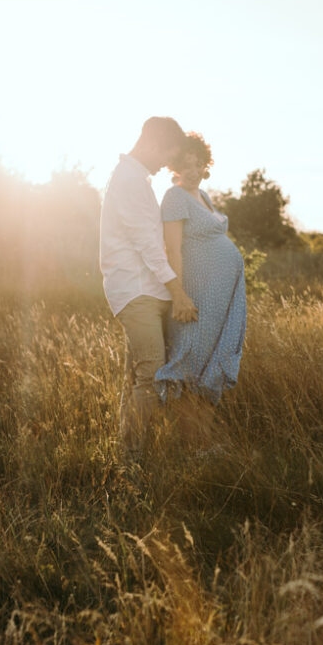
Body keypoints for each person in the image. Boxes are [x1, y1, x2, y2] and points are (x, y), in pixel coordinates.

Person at [99, 117, 198, 454]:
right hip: (136, 290)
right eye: (168, 154)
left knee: (139, 377)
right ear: (155, 143)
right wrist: (178, 292)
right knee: (152, 376)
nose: (166, 164)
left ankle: (125, 454)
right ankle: (131, 461)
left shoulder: (137, 179)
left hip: (148, 289)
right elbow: (148, 245)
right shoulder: (129, 180)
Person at [154, 133, 246, 448]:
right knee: (191, 364)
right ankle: (188, 446)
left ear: (206, 165)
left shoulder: (203, 196)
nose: (193, 170)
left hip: (219, 301)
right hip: (196, 298)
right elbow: (173, 250)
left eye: (199, 164)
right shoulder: (174, 196)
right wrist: (179, 295)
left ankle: (201, 444)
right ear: (175, 167)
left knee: (209, 367)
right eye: (186, 164)